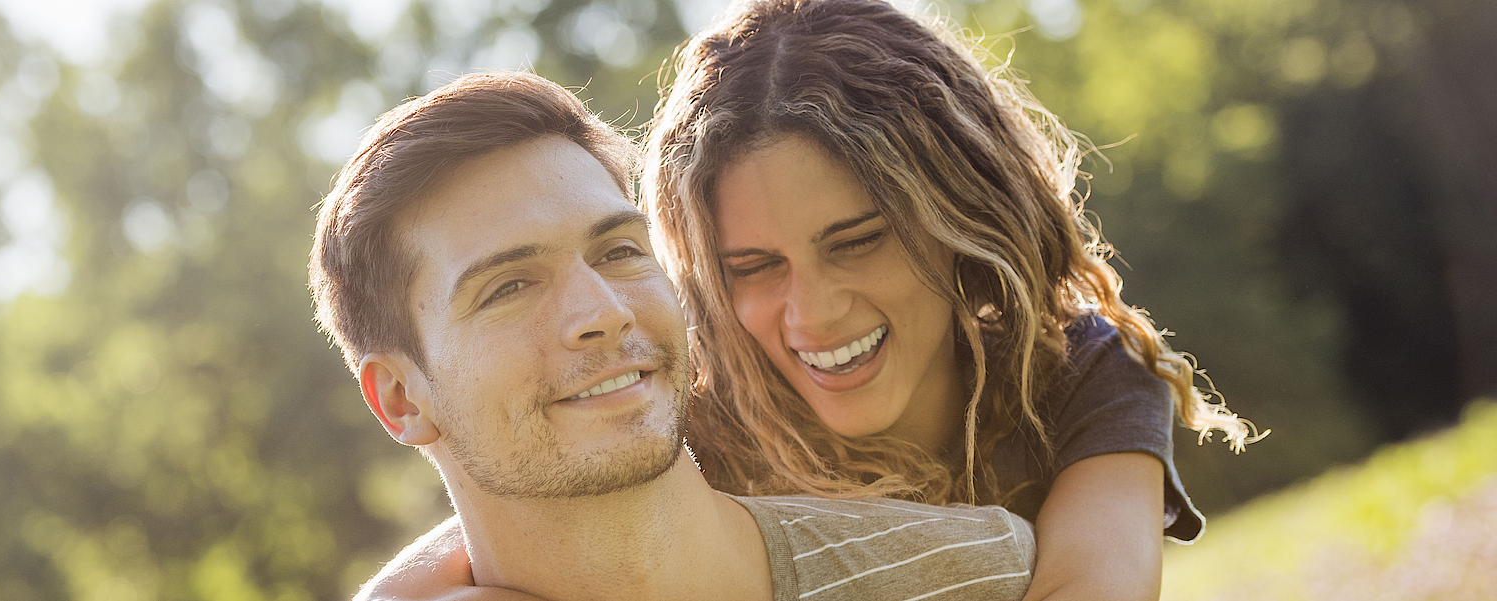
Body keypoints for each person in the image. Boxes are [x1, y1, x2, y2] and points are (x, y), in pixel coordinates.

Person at [360, 2, 1266, 601]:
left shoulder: (1078, 371)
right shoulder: (711, 412)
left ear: (957, 214)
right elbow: (503, 499)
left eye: (858, 240)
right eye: (752, 265)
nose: (812, 314)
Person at [312, 70, 1036, 601]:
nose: (604, 310)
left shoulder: (988, 577)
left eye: (619, 251)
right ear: (401, 398)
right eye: (509, 286)